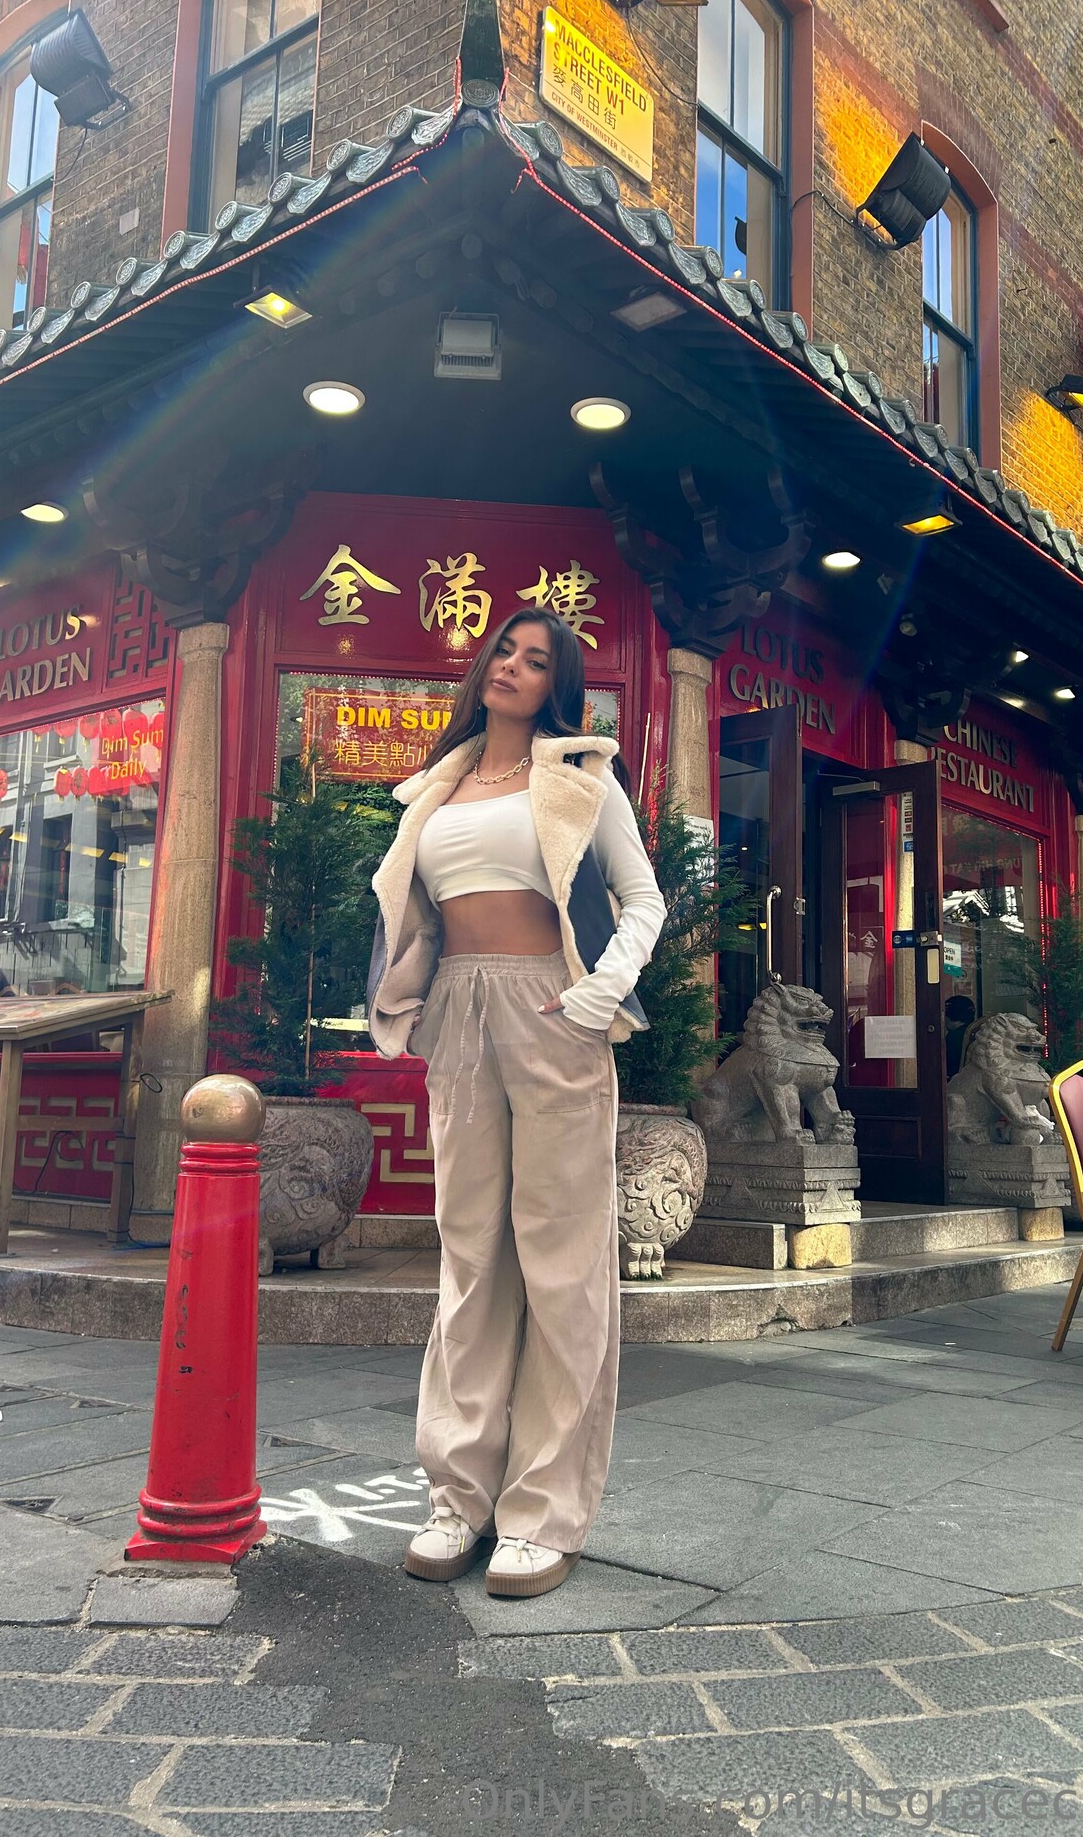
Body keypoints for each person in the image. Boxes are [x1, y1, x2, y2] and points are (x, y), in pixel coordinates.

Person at [366, 608, 666, 1599]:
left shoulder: (582, 776)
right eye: (505, 650)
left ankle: (543, 1510)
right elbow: (414, 914)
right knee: (469, 1256)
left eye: (538, 661)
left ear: (556, 686)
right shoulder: (438, 785)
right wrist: (411, 1003)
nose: (513, 666)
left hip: (553, 1007)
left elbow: (643, 899)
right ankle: (460, 1495)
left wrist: (596, 996)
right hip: (460, 1011)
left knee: (561, 1258)